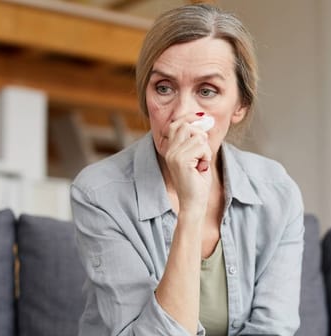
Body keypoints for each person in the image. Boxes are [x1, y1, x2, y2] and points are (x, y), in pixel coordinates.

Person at [71, 4, 304, 336]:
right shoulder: (99, 192)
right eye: (164, 88)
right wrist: (192, 208)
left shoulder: (276, 190)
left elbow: (273, 329)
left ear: (240, 106)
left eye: (207, 91)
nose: (181, 113)